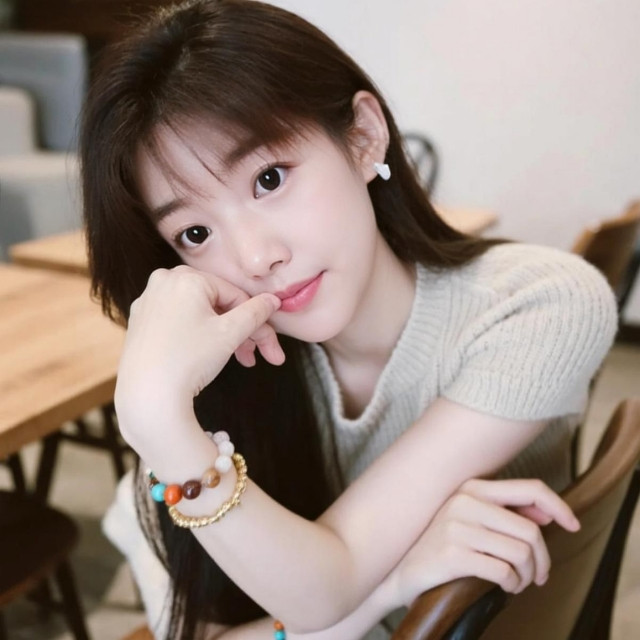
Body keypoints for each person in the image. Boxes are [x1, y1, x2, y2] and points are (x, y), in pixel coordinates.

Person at [81, 1, 617, 638]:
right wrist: (390, 589)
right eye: (195, 233)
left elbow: (321, 590)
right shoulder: (194, 407)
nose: (255, 257)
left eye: (269, 178)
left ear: (363, 137)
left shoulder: (537, 306)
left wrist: (159, 426)